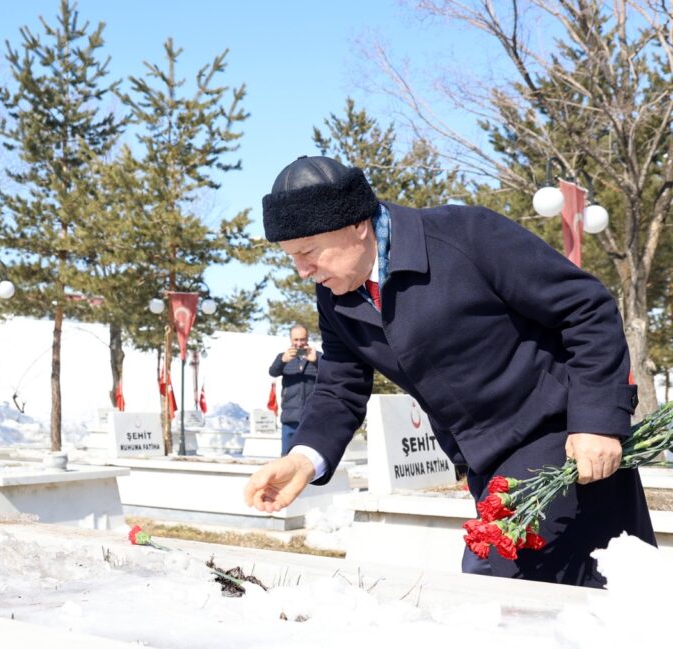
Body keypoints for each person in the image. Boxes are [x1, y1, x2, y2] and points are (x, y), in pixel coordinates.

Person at [243, 155, 654, 588]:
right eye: (292, 257)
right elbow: (339, 387)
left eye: (308, 252)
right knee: (572, 601)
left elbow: (585, 308)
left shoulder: (466, 235)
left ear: (356, 225)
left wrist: (597, 422)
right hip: (485, 463)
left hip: (558, 435)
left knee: (496, 584)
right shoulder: (337, 296)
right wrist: (303, 459)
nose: (302, 270)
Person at [268, 324, 318, 455]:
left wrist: (316, 361)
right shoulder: (284, 357)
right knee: (286, 457)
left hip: (311, 418)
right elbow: (272, 372)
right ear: (290, 339)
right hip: (290, 418)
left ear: (307, 339)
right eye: (296, 340)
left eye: (302, 339)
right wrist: (283, 360)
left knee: (309, 459)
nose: (299, 343)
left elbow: (330, 374)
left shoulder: (317, 357)